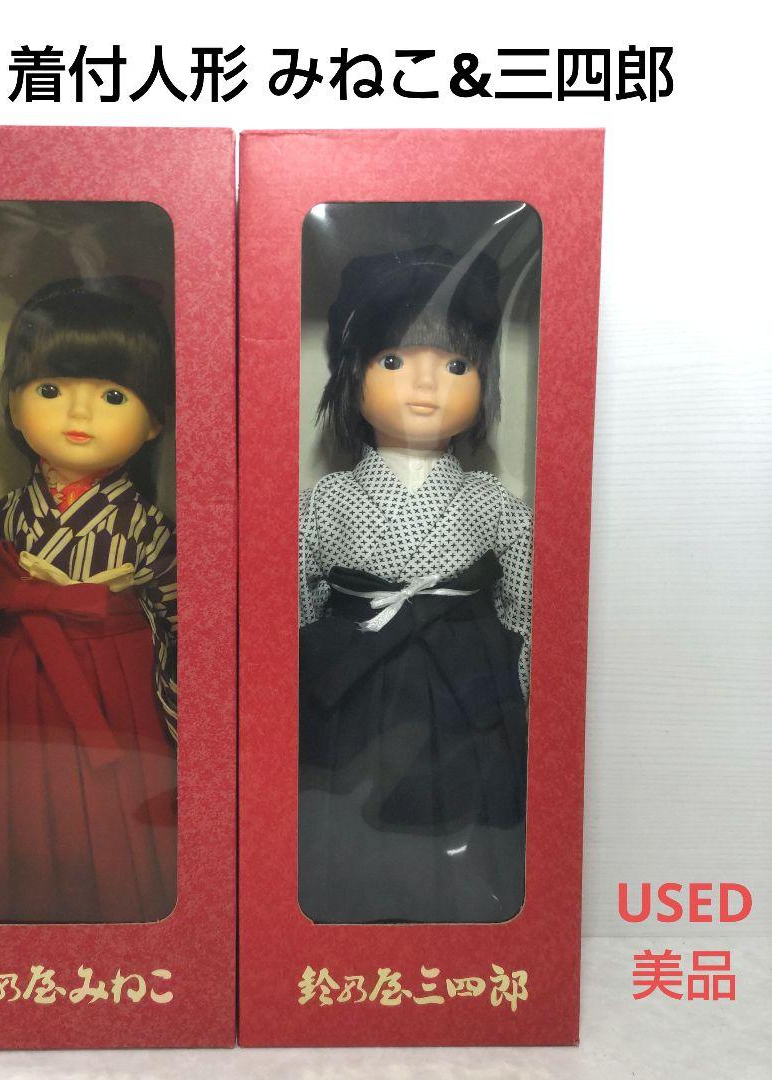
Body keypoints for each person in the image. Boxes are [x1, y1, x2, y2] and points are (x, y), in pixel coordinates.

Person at [298, 246, 532, 924]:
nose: (424, 385)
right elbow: (297, 600)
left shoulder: (492, 501)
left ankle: (469, 907)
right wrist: (307, 671)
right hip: (355, 682)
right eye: (394, 362)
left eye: (455, 366)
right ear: (352, 376)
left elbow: (525, 605)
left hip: (466, 684)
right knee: (348, 807)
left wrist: (524, 683)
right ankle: (350, 908)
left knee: (466, 800)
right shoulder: (328, 499)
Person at [0, 277, 177, 924]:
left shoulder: (145, 529)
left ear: (154, 421)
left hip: (113, 691)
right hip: (3, 690)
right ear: (13, 406)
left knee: (113, 812)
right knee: (5, 800)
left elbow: (181, 619)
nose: (79, 415)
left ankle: (126, 925)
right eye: (50, 391)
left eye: (112, 395)